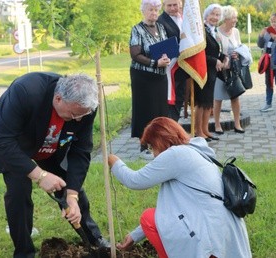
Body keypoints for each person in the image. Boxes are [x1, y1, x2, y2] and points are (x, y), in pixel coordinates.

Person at [0, 72, 110, 257]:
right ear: (58, 98)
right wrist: (39, 175)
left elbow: (81, 151)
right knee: (19, 192)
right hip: (13, 140)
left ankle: (94, 240)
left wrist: (71, 196)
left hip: (50, 140)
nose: (79, 120)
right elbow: (1, 141)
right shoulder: (27, 91)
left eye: (82, 115)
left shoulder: (85, 107)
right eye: (74, 114)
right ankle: (24, 252)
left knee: (68, 185)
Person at [107, 117, 252, 258]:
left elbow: (134, 181)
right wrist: (135, 235)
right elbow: (171, 212)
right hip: (222, 233)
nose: (153, 154)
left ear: (161, 140)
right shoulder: (194, 151)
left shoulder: (176, 154)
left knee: (148, 218)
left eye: (152, 147)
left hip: (210, 234)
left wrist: (114, 161)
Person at [130, 0, 171, 155]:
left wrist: (166, 58)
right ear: (143, 11)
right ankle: (144, 144)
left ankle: (159, 141)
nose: (154, 13)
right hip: (143, 77)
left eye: (156, 10)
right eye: (150, 10)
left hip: (160, 76)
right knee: (145, 109)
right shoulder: (137, 29)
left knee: (160, 109)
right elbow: (135, 55)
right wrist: (155, 63)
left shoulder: (161, 27)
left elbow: (165, 47)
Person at [213, 5, 249, 134]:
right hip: (220, 70)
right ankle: (217, 125)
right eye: (233, 18)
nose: (235, 20)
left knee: (235, 96)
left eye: (236, 18)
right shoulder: (216, 32)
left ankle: (237, 124)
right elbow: (216, 52)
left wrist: (237, 54)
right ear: (226, 19)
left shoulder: (236, 31)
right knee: (218, 98)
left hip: (233, 69)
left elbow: (239, 46)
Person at [194, 4, 226, 141]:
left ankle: (205, 129)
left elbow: (216, 50)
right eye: (213, 14)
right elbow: (199, 53)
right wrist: (215, 61)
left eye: (218, 15)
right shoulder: (201, 31)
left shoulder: (214, 31)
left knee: (208, 102)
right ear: (206, 15)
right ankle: (198, 131)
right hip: (202, 70)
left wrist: (224, 57)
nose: (215, 17)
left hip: (212, 72)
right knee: (201, 102)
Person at [157, 0, 188, 121]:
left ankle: (174, 125)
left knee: (180, 97)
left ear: (180, 4)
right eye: (169, 5)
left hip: (182, 66)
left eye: (175, 5)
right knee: (170, 101)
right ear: (164, 6)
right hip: (169, 68)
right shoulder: (160, 21)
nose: (173, 8)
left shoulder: (183, 18)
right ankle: (170, 127)